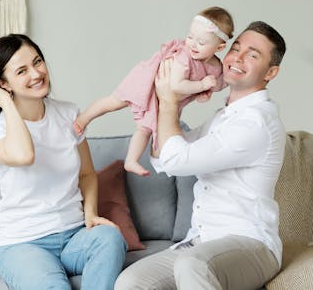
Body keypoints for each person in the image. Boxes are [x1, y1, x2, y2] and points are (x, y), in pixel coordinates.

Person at [114, 21, 287, 290]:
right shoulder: (224, 117)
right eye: (236, 48)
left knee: (192, 264)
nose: (237, 58)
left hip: (251, 244)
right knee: (131, 282)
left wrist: (169, 101)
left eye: (253, 55)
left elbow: (177, 159)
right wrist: (174, 102)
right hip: (201, 242)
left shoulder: (255, 123)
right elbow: (163, 158)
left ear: (271, 72)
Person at [0, 34, 127, 290]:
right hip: (22, 243)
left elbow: (87, 174)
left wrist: (91, 215)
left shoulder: (68, 114)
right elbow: (24, 155)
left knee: (110, 237)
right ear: (2, 83)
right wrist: (4, 102)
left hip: (74, 234)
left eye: (38, 62)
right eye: (22, 71)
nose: (36, 73)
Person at [74, 6, 234, 176]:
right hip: (148, 81)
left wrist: (205, 92)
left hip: (163, 98)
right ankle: (84, 118)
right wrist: (201, 86)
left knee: (145, 128)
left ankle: (131, 160)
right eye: (190, 36)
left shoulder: (216, 67)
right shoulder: (184, 56)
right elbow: (176, 85)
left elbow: (219, 84)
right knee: (115, 101)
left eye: (201, 42)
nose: (192, 44)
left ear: (219, 47)